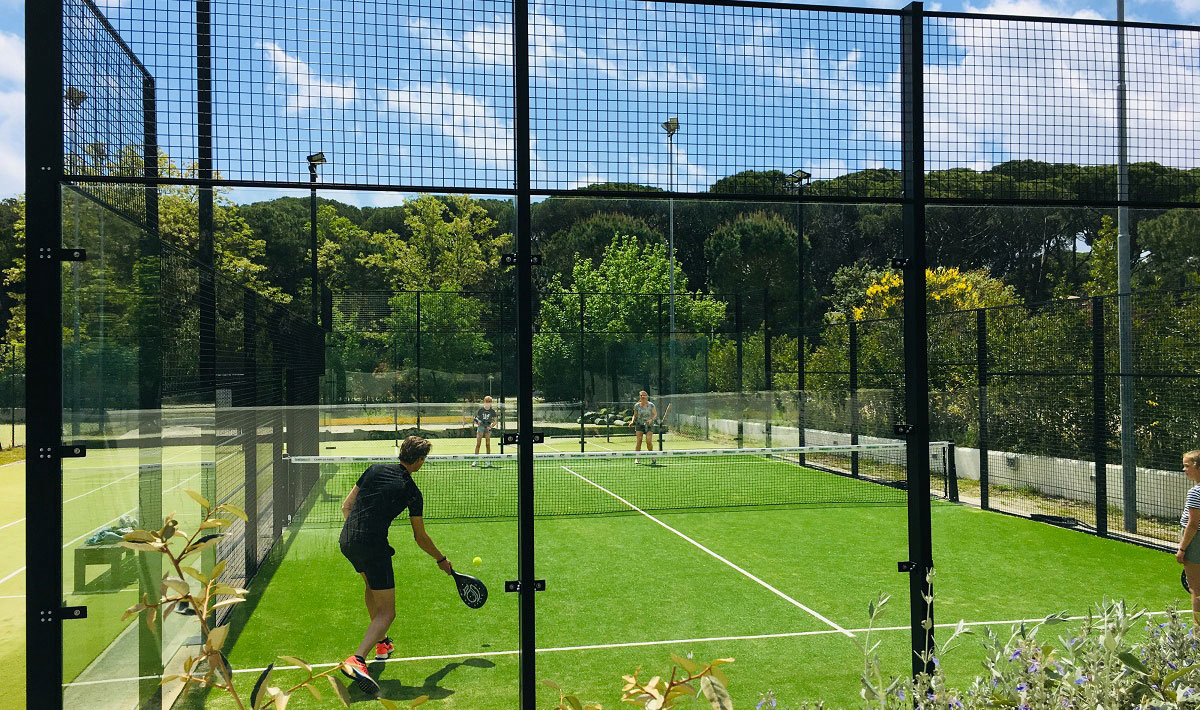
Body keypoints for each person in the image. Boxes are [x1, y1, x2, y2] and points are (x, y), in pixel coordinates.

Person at [338, 436, 453, 695]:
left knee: (371, 587)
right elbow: (420, 537)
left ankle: (382, 644)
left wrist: (357, 533)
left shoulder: (374, 469)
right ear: (420, 460)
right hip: (373, 547)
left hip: (347, 540)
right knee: (387, 613)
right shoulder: (411, 491)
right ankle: (357, 659)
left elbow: (347, 506)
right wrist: (441, 559)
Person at [1177, 449, 1200, 625]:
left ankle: (1197, 632)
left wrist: (1182, 549)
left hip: (1195, 542)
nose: (1184, 469)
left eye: (1187, 465)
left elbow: (1192, 525)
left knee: (1196, 588)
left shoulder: (1195, 492)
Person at [630, 390, 657, 464]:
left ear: (647, 396)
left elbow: (655, 414)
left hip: (649, 425)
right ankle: (637, 458)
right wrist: (632, 421)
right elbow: (634, 415)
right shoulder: (637, 405)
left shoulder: (651, 405)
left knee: (648, 441)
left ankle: (652, 456)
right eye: (641, 395)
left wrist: (651, 420)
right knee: (639, 441)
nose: (642, 397)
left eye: (644, 395)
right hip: (639, 424)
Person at [472, 396, 497, 467]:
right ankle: (475, 460)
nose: (488, 403)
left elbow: (495, 421)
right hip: (481, 428)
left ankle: (488, 461)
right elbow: (476, 419)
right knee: (478, 443)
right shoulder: (480, 410)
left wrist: (491, 426)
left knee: (488, 444)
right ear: (484, 401)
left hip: (487, 428)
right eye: (486, 401)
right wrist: (478, 422)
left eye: (489, 401)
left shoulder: (492, 411)